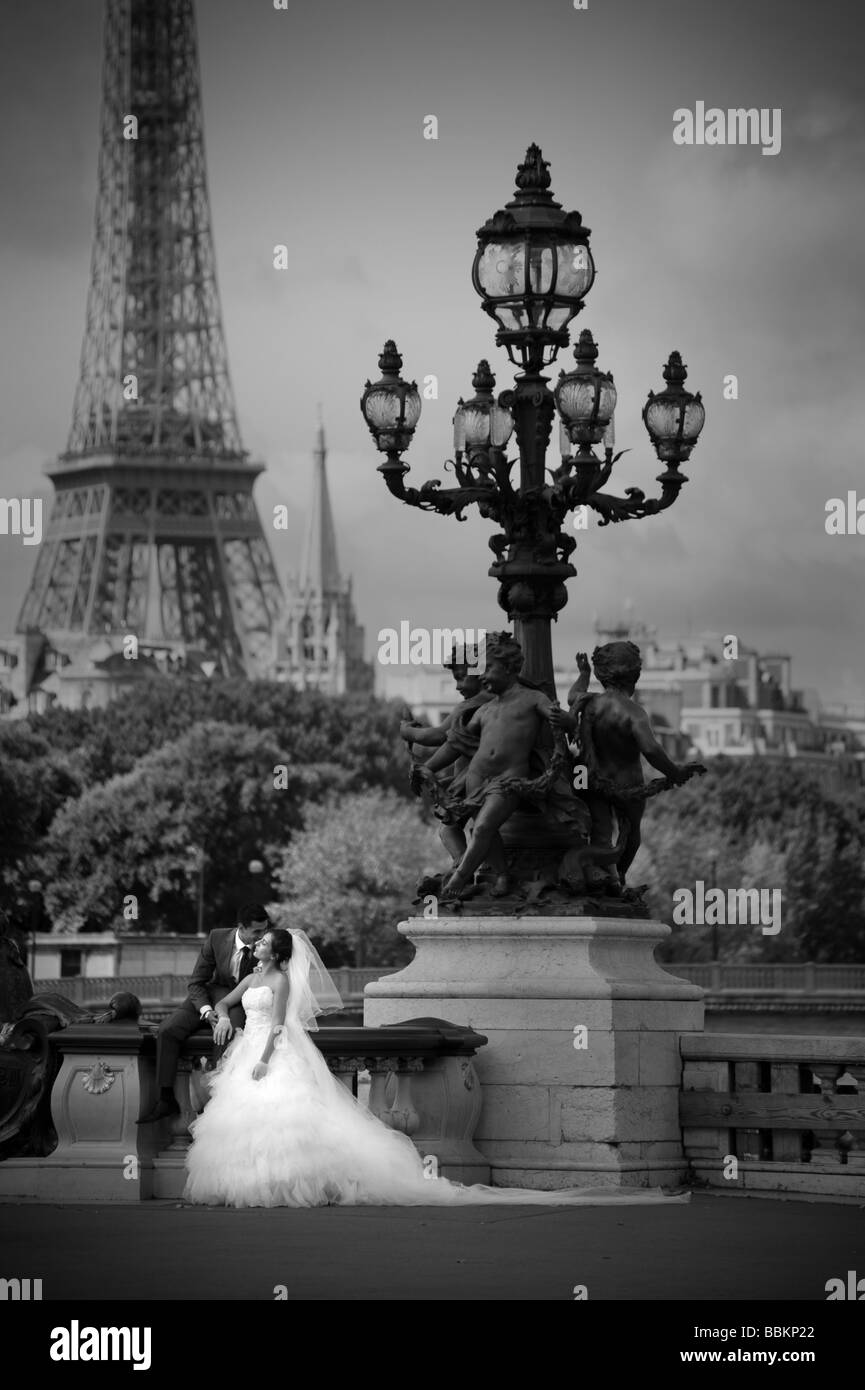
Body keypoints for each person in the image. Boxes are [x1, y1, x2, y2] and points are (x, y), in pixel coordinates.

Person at [183, 926, 689, 1209]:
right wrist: (219, 1016)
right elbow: (224, 1001)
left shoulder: (283, 983)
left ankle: (289, 1187)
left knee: (286, 1120)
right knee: (249, 1124)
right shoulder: (251, 980)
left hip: (270, 1052)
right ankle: (252, 1186)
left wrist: (265, 1058)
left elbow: (278, 1026)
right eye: (262, 944)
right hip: (246, 1045)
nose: (260, 947)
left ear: (278, 952)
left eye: (267, 944)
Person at [138, 903, 270, 1124]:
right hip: (206, 999)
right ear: (241, 928)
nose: (262, 936)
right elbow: (196, 982)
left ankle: (218, 1102)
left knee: (228, 1035)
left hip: (237, 1001)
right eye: (257, 931)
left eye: (265, 930)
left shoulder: (265, 947)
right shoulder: (217, 938)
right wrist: (207, 1011)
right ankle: (166, 1098)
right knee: (167, 1030)